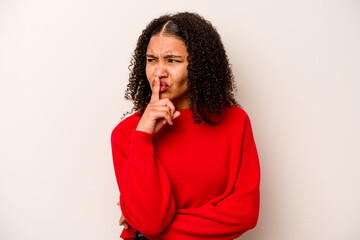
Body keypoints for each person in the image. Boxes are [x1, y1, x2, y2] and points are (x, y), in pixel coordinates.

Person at [111, 12, 260, 240]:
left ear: (198, 65)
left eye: (172, 60)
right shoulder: (128, 134)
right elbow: (151, 222)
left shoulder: (236, 122)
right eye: (151, 60)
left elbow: (244, 215)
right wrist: (143, 136)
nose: (159, 72)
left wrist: (143, 224)